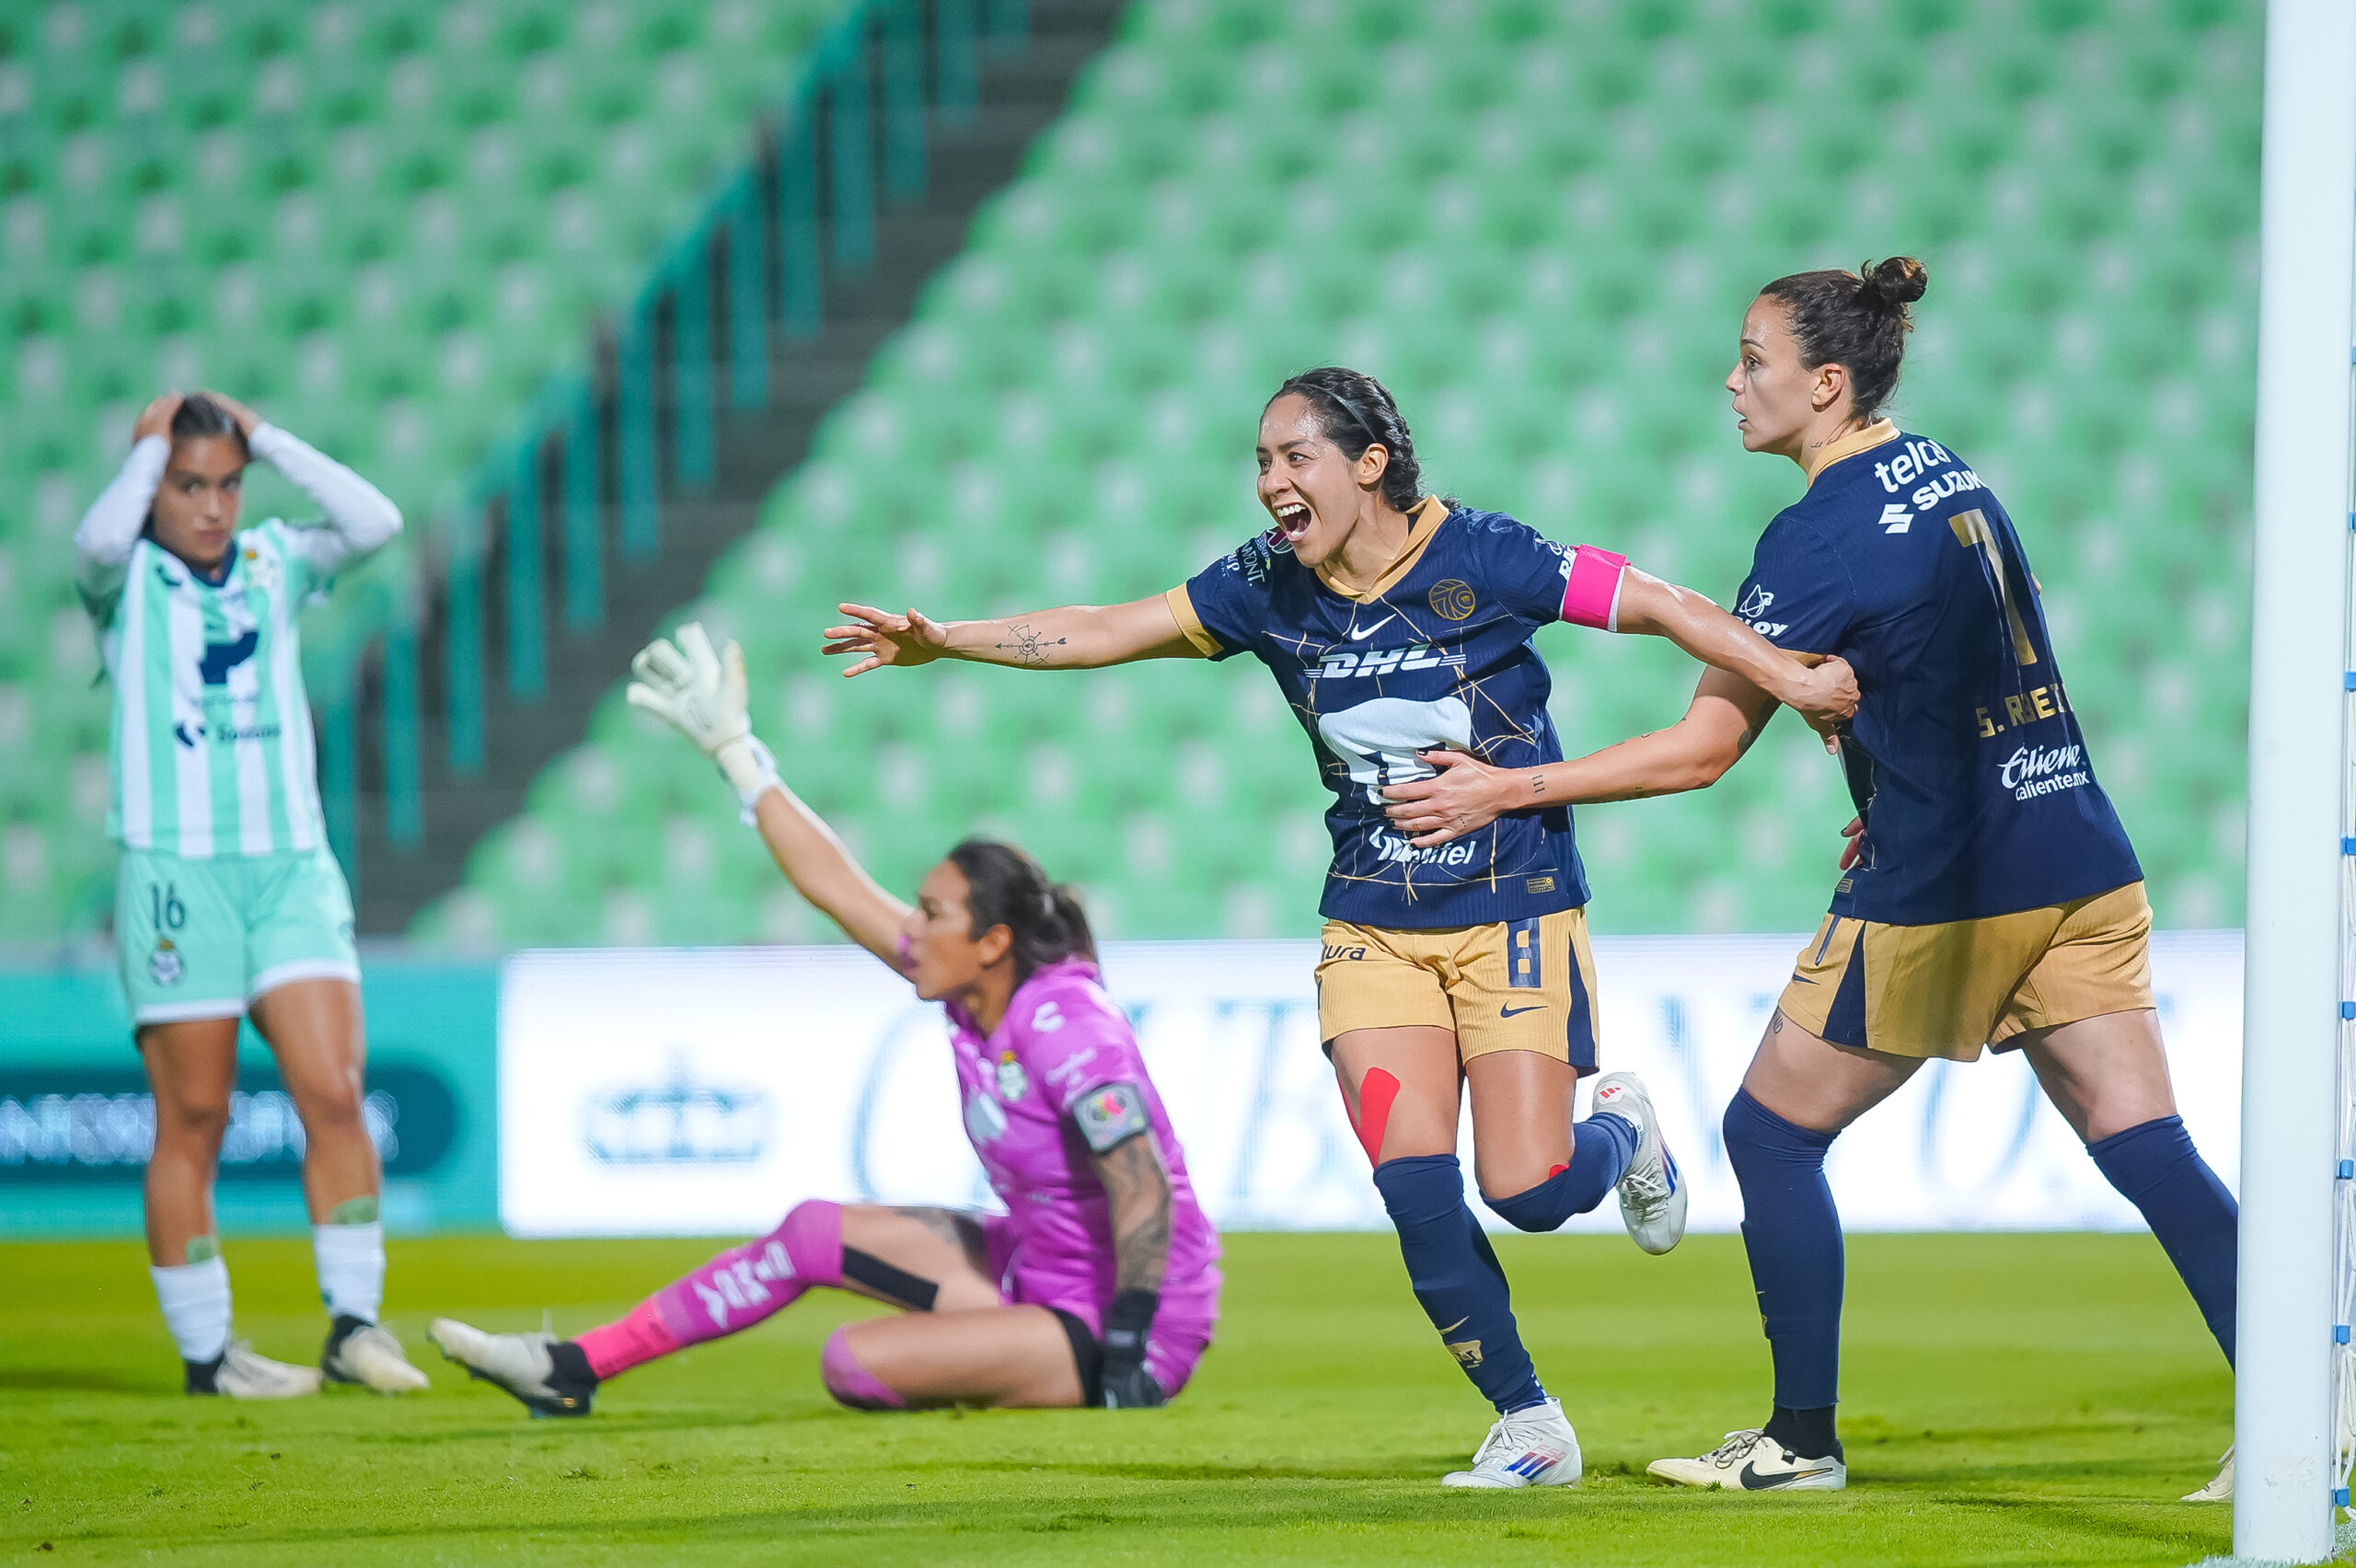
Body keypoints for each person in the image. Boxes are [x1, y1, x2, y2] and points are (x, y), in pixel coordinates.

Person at [821, 368, 1860, 1486]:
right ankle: (1527, 1421)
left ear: (1368, 464)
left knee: (1526, 1191)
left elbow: (1660, 602)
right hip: (1369, 921)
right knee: (1412, 1184)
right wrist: (951, 640)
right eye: (1261, 462)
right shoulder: (1265, 585)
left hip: (1515, 903)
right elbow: (1109, 627)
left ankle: (1620, 1134)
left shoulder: (1485, 553)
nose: (1271, 482)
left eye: (1294, 457)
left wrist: (1783, 680)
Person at [1381, 259, 2239, 1500]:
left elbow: (1702, 751)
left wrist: (1501, 788)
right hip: (2075, 845)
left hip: (1951, 883)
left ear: (1826, 383)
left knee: (1768, 1134)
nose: (1731, 383)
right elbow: (1999, 630)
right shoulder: (1952, 473)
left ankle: (1801, 1443)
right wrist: (1895, 763)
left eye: (1754, 360)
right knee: (2142, 1136)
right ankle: (2299, 1407)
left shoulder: (1814, 537)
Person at [431, 625, 1220, 1415]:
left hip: (1136, 1319)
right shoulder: (966, 986)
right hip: (1036, 1270)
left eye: (930, 912)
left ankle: (1042, 1362)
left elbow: (1142, 1186)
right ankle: (573, 1367)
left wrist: (1129, 1350)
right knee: (810, 1232)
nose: (909, 926)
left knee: (854, 1362)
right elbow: (835, 885)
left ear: (992, 942)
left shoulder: (1066, 1023)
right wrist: (737, 753)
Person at [75, 391, 420, 1398]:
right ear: (156, 489)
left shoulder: (275, 561)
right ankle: (207, 1354)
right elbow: (97, 537)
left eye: (229, 483)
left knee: (336, 1093)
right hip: (176, 870)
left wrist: (266, 435)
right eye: (191, 486)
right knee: (195, 1118)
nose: (215, 507)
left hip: (289, 866)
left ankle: (355, 1327)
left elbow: (377, 521)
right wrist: (146, 453)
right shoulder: (125, 579)